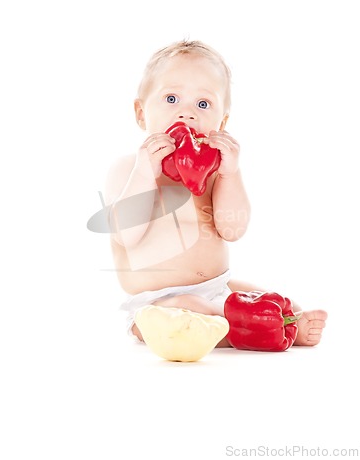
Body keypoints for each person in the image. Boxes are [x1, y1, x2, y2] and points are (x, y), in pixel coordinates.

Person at [104, 40, 327, 347]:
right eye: (171, 98)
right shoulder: (129, 169)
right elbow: (125, 235)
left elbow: (232, 230)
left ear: (222, 123)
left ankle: (287, 322)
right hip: (157, 304)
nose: (187, 114)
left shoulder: (213, 174)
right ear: (141, 113)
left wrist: (230, 174)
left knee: (265, 297)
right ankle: (243, 330)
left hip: (218, 286)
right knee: (194, 311)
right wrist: (145, 173)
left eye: (203, 104)